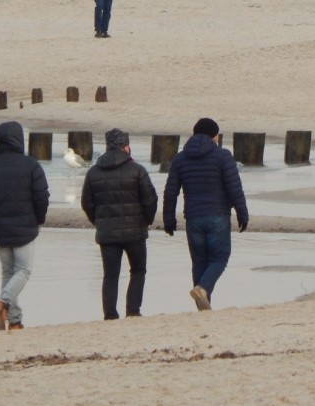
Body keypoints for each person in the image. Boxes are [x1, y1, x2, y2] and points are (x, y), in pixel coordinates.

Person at [163, 117, 249, 311]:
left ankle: (202, 304)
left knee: (199, 261)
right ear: (214, 136)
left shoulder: (180, 159)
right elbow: (235, 189)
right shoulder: (223, 157)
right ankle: (203, 289)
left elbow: (171, 191)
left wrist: (169, 218)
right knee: (220, 258)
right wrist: (242, 214)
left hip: (193, 217)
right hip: (217, 215)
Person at [0, 121, 50, 331]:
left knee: (8, 272)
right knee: (23, 271)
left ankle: (15, 320)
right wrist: (39, 219)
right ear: (19, 139)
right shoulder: (31, 165)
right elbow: (41, 196)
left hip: (1, 227)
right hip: (25, 228)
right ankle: (3, 302)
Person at [81, 129, 158, 320]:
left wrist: (98, 221)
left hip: (107, 232)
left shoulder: (93, 172)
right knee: (138, 270)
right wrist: (146, 220)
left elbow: (87, 203)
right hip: (135, 231)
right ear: (126, 147)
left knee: (110, 275)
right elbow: (150, 199)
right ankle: (133, 310)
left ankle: (110, 314)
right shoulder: (137, 170)